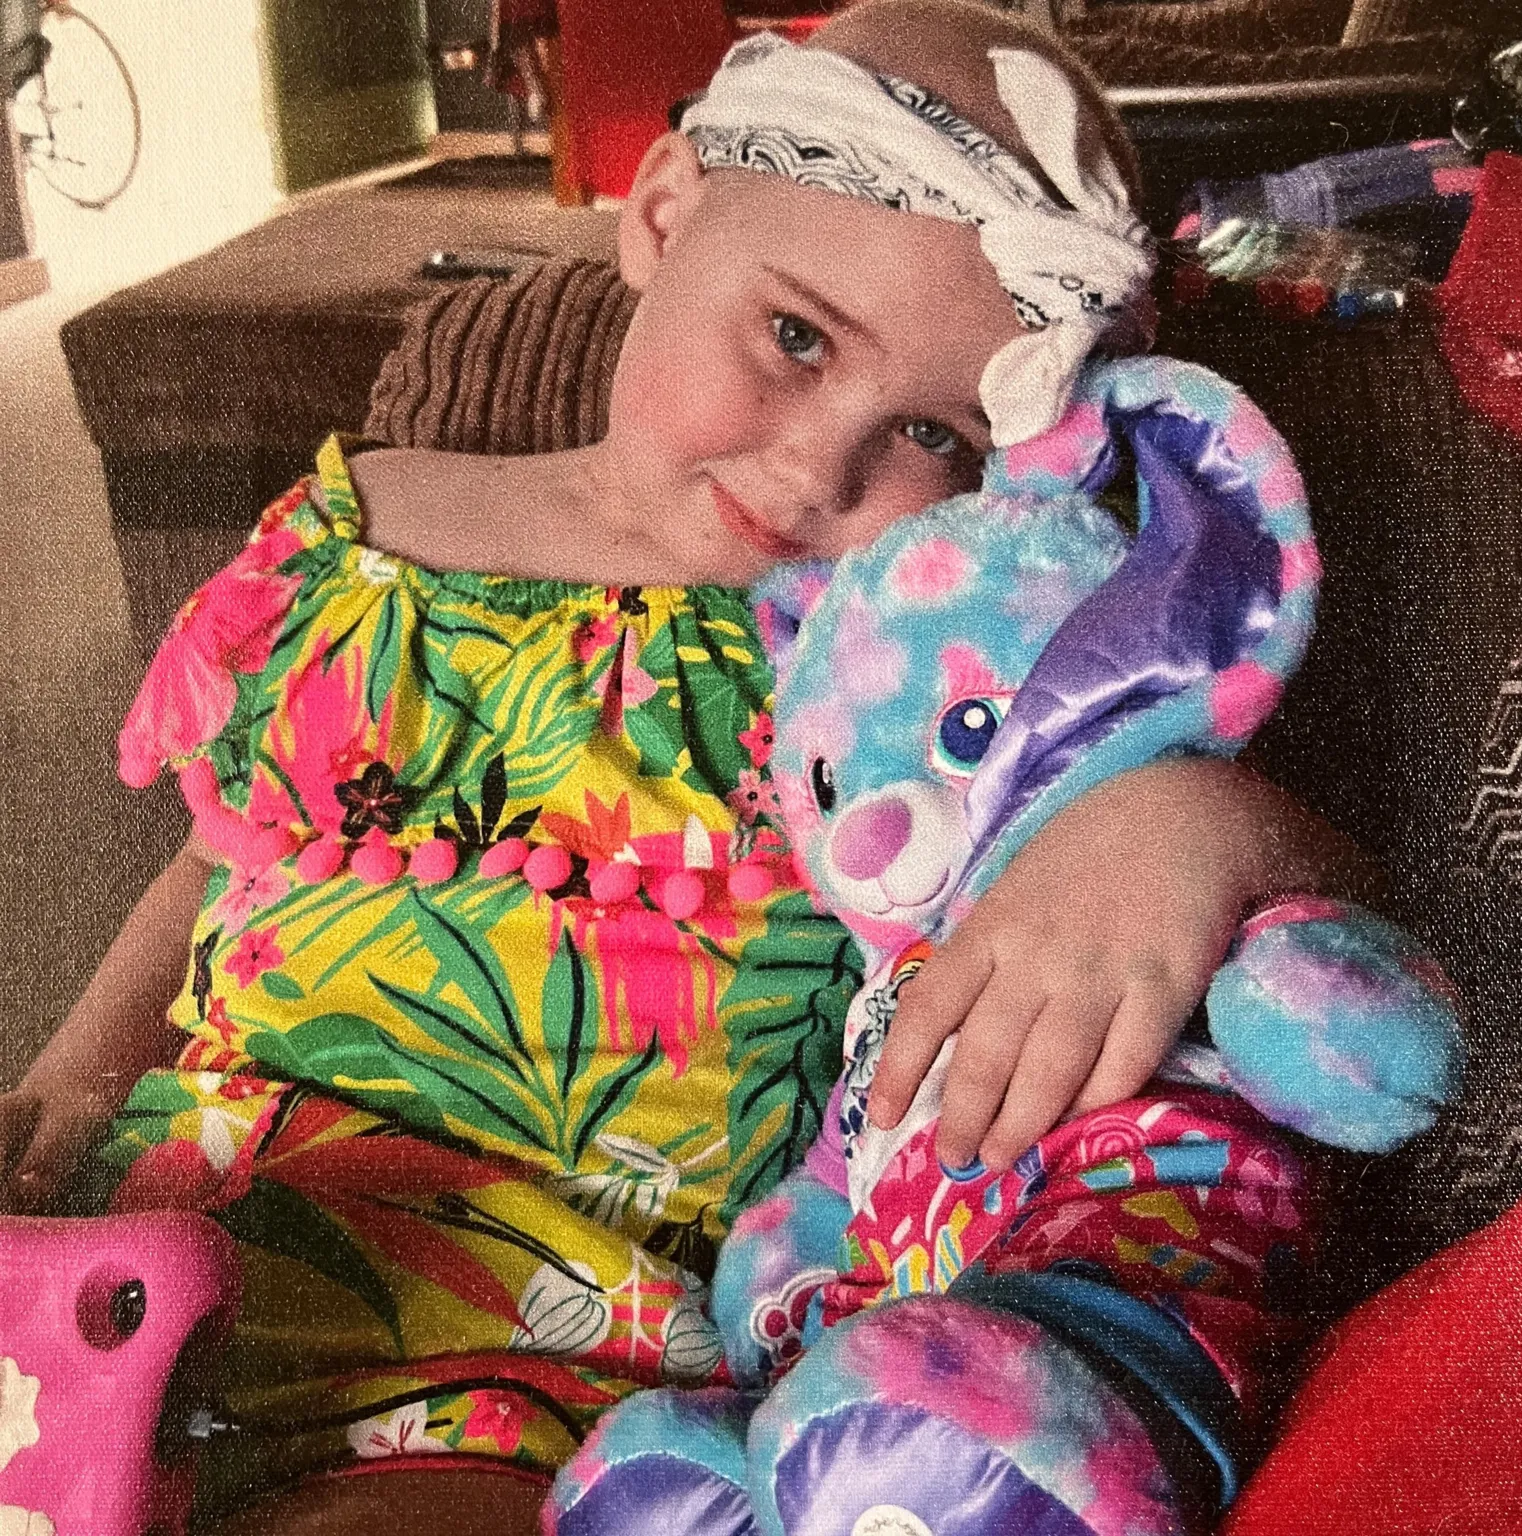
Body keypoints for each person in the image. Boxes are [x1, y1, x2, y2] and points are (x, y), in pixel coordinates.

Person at [0, 3, 1375, 1532]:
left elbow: (1259, 855)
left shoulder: (924, 660)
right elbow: (220, 852)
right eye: (796, 338)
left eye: (935, 436)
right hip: (172, 1209)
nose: (818, 467)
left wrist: (1186, 820)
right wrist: (73, 1076)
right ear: (661, 216)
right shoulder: (365, 522)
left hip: (529, 1328)